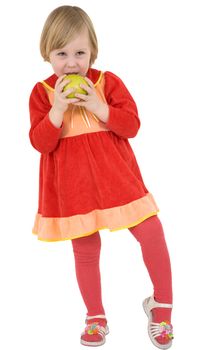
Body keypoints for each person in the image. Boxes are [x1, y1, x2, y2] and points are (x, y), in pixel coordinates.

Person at [29, 5, 174, 349]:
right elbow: (41, 143)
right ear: (47, 54)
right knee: (86, 247)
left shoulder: (107, 83)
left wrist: (99, 106)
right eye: (61, 53)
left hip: (116, 179)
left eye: (80, 52)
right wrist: (59, 109)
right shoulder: (42, 93)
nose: (72, 62)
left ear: (93, 49)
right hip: (74, 187)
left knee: (151, 230)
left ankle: (162, 307)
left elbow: (132, 126)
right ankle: (95, 316)